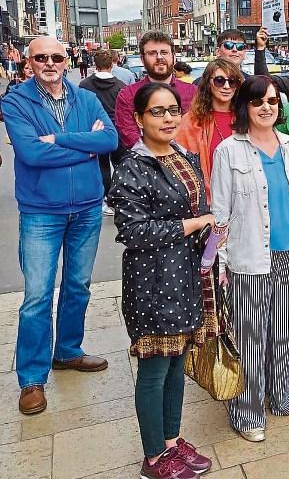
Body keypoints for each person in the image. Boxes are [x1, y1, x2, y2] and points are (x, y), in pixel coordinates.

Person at [1, 36, 118, 416]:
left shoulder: (85, 98)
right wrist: (86, 146)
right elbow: (32, 152)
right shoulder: (16, 101)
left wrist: (63, 140)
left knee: (78, 285)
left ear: (67, 60)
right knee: (36, 296)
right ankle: (31, 379)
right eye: (41, 57)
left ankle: (68, 351)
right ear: (28, 63)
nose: (49, 62)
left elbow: (111, 139)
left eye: (56, 56)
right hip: (41, 211)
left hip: (86, 207)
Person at [108, 83, 215, 479]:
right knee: (154, 370)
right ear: (138, 119)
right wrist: (193, 224)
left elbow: (200, 206)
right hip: (152, 283)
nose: (169, 118)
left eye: (173, 110)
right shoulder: (132, 167)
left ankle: (171, 442)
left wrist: (212, 229)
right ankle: (153, 458)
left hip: (187, 276)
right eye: (157, 112)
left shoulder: (183, 155)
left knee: (176, 365)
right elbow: (133, 232)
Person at [211, 75, 289, 442]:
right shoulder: (229, 150)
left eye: (273, 101)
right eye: (258, 101)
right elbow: (220, 213)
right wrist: (220, 262)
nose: (267, 107)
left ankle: (284, 395)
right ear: (244, 106)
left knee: (285, 332)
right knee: (250, 337)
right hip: (248, 258)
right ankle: (247, 411)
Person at [115, 31, 197, 149]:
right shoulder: (128, 95)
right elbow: (130, 137)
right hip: (147, 163)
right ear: (142, 59)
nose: (159, 57)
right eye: (152, 53)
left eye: (164, 52)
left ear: (173, 56)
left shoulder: (193, 92)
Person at [175, 59, 243, 200]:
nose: (226, 86)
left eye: (232, 81)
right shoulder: (190, 121)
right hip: (205, 204)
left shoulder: (247, 118)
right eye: (219, 81)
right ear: (208, 83)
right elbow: (182, 168)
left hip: (244, 201)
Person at [79, 49, 126, 215]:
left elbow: (80, 110)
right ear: (112, 64)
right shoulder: (121, 86)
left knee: (101, 166)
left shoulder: (84, 85)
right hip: (118, 130)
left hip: (96, 129)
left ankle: (104, 198)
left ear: (95, 64)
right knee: (120, 166)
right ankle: (120, 199)